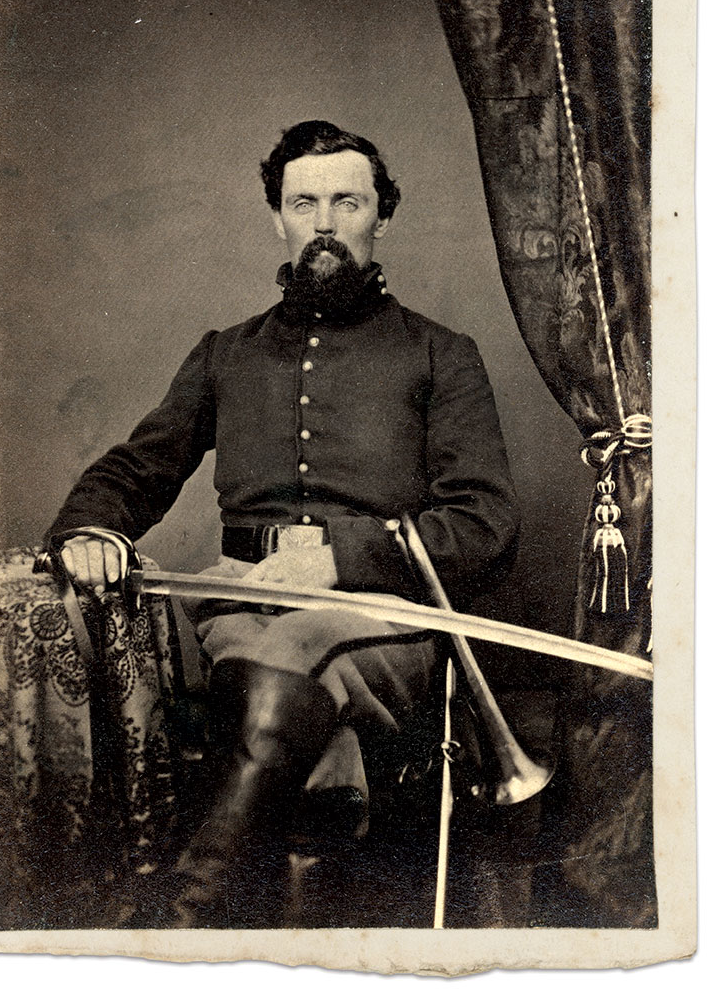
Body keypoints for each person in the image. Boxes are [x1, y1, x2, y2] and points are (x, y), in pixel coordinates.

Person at [45, 119, 520, 928]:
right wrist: (89, 526)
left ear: (381, 215)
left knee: (300, 648)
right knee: (280, 656)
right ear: (278, 217)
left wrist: (341, 561)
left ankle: (183, 914)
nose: (325, 222)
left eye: (348, 201)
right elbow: (137, 468)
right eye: (305, 202)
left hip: (387, 616)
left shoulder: (443, 354)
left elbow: (485, 523)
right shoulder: (225, 353)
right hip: (238, 600)